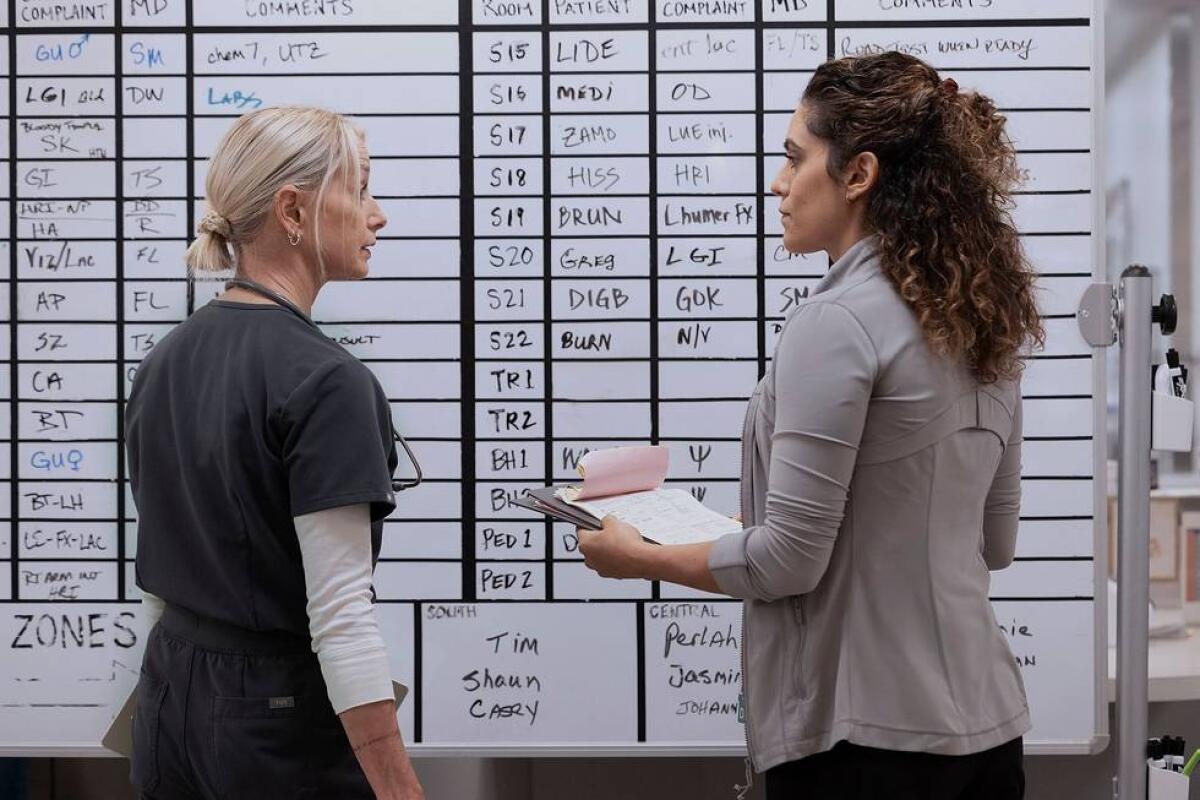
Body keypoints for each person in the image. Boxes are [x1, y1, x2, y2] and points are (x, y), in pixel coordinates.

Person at [576, 52, 1044, 800]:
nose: (778, 183)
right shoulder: (982, 319)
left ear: (858, 174)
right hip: (987, 735)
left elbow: (787, 563)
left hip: (864, 745)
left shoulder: (836, 322)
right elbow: (994, 542)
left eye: (795, 159)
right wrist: (753, 526)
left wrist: (641, 557)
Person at [126, 106, 424, 800]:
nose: (377, 216)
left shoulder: (164, 359)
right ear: (294, 210)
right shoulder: (330, 382)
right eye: (360, 189)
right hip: (271, 730)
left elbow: (161, 584)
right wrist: (402, 790)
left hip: (168, 702)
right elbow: (342, 620)